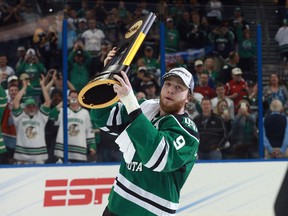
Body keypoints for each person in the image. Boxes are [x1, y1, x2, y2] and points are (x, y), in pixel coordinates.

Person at [91, 49, 199, 215]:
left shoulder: (187, 131)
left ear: (188, 98)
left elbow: (157, 157)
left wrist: (130, 102)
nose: (171, 90)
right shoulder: (146, 107)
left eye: (179, 87)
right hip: (115, 208)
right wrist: (107, 78)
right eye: (168, 84)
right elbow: (103, 117)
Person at [12, 74, 51, 164]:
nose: (31, 108)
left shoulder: (41, 116)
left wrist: (42, 86)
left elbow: (48, 102)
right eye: (29, 106)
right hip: (22, 156)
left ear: (36, 107)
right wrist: (24, 88)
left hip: (39, 156)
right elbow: (15, 103)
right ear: (24, 108)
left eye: (33, 106)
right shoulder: (19, 117)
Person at [53, 90, 96, 163]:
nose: (73, 99)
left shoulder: (85, 113)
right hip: (63, 151)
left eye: (75, 97)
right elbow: (51, 116)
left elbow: (89, 130)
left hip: (80, 151)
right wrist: (64, 102)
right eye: (71, 97)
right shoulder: (62, 111)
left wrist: (92, 146)